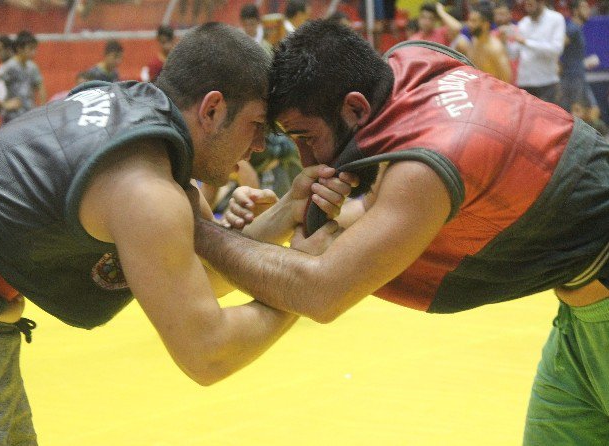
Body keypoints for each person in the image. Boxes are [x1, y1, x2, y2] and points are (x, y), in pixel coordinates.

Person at [193, 20, 609, 445]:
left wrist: (200, 231)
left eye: (306, 137)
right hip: (582, 317)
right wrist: (285, 212)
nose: (304, 158)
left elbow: (321, 292)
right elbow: (375, 215)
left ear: (355, 109)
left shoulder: (428, 164)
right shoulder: (410, 63)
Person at [0, 23, 354, 444]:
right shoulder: (146, 191)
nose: (261, 146)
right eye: (256, 125)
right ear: (212, 110)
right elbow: (208, 353)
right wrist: (307, 288)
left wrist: (286, 212)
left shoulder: (130, 111)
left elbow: (200, 278)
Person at [0, 30, 46, 125]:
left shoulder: (32, 66)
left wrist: (42, 110)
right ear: (20, 48)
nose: (34, 52)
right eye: (30, 49)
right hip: (13, 117)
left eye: (35, 49)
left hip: (29, 114)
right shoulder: (10, 66)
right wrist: (4, 105)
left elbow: (41, 88)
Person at [512, 0, 565, 104]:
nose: (528, 9)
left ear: (541, 2)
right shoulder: (523, 23)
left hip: (547, 83)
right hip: (525, 83)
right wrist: (505, 42)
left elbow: (556, 50)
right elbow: (514, 54)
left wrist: (526, 42)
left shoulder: (556, 19)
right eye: (526, 5)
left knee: (549, 119)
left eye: (531, 5)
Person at [465, 3, 512, 83]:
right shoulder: (474, 41)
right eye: (469, 20)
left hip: (492, 92)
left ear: (485, 25)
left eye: (474, 21)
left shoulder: (495, 48)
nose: (469, 24)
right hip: (476, 89)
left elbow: (507, 80)